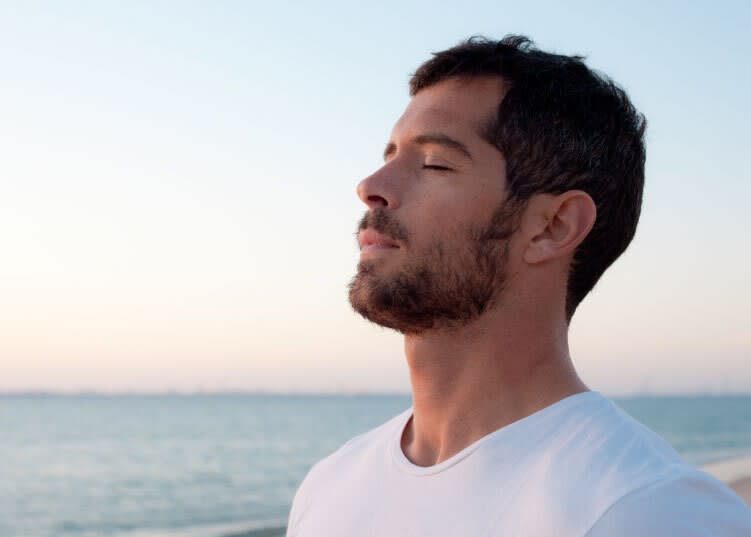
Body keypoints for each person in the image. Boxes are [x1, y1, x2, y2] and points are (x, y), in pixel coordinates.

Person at [285, 35, 751, 536]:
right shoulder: (330, 487)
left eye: (435, 163)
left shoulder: (648, 511)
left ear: (553, 227)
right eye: (390, 154)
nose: (370, 186)